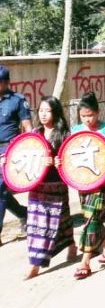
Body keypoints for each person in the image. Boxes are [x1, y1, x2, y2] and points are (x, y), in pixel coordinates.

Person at [20, 96, 77, 280]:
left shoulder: (64, 134)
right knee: (37, 225)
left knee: (59, 221)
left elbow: (72, 159)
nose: (43, 114)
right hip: (37, 186)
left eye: (48, 111)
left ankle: (71, 244)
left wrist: (59, 162)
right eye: (41, 111)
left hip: (56, 185)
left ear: (56, 112)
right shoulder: (35, 133)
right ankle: (34, 263)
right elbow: (25, 156)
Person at [72, 92, 105, 280]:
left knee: (91, 218)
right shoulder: (75, 130)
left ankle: (85, 262)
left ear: (98, 112)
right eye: (83, 116)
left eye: (90, 115)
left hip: (103, 180)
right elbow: (70, 155)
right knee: (93, 216)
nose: (87, 119)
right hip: (82, 179)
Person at [0, 65, 31, 245]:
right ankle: (23, 213)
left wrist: (26, 148)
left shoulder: (17, 101)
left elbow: (27, 127)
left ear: (5, 83)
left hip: (9, 150)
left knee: (0, 188)